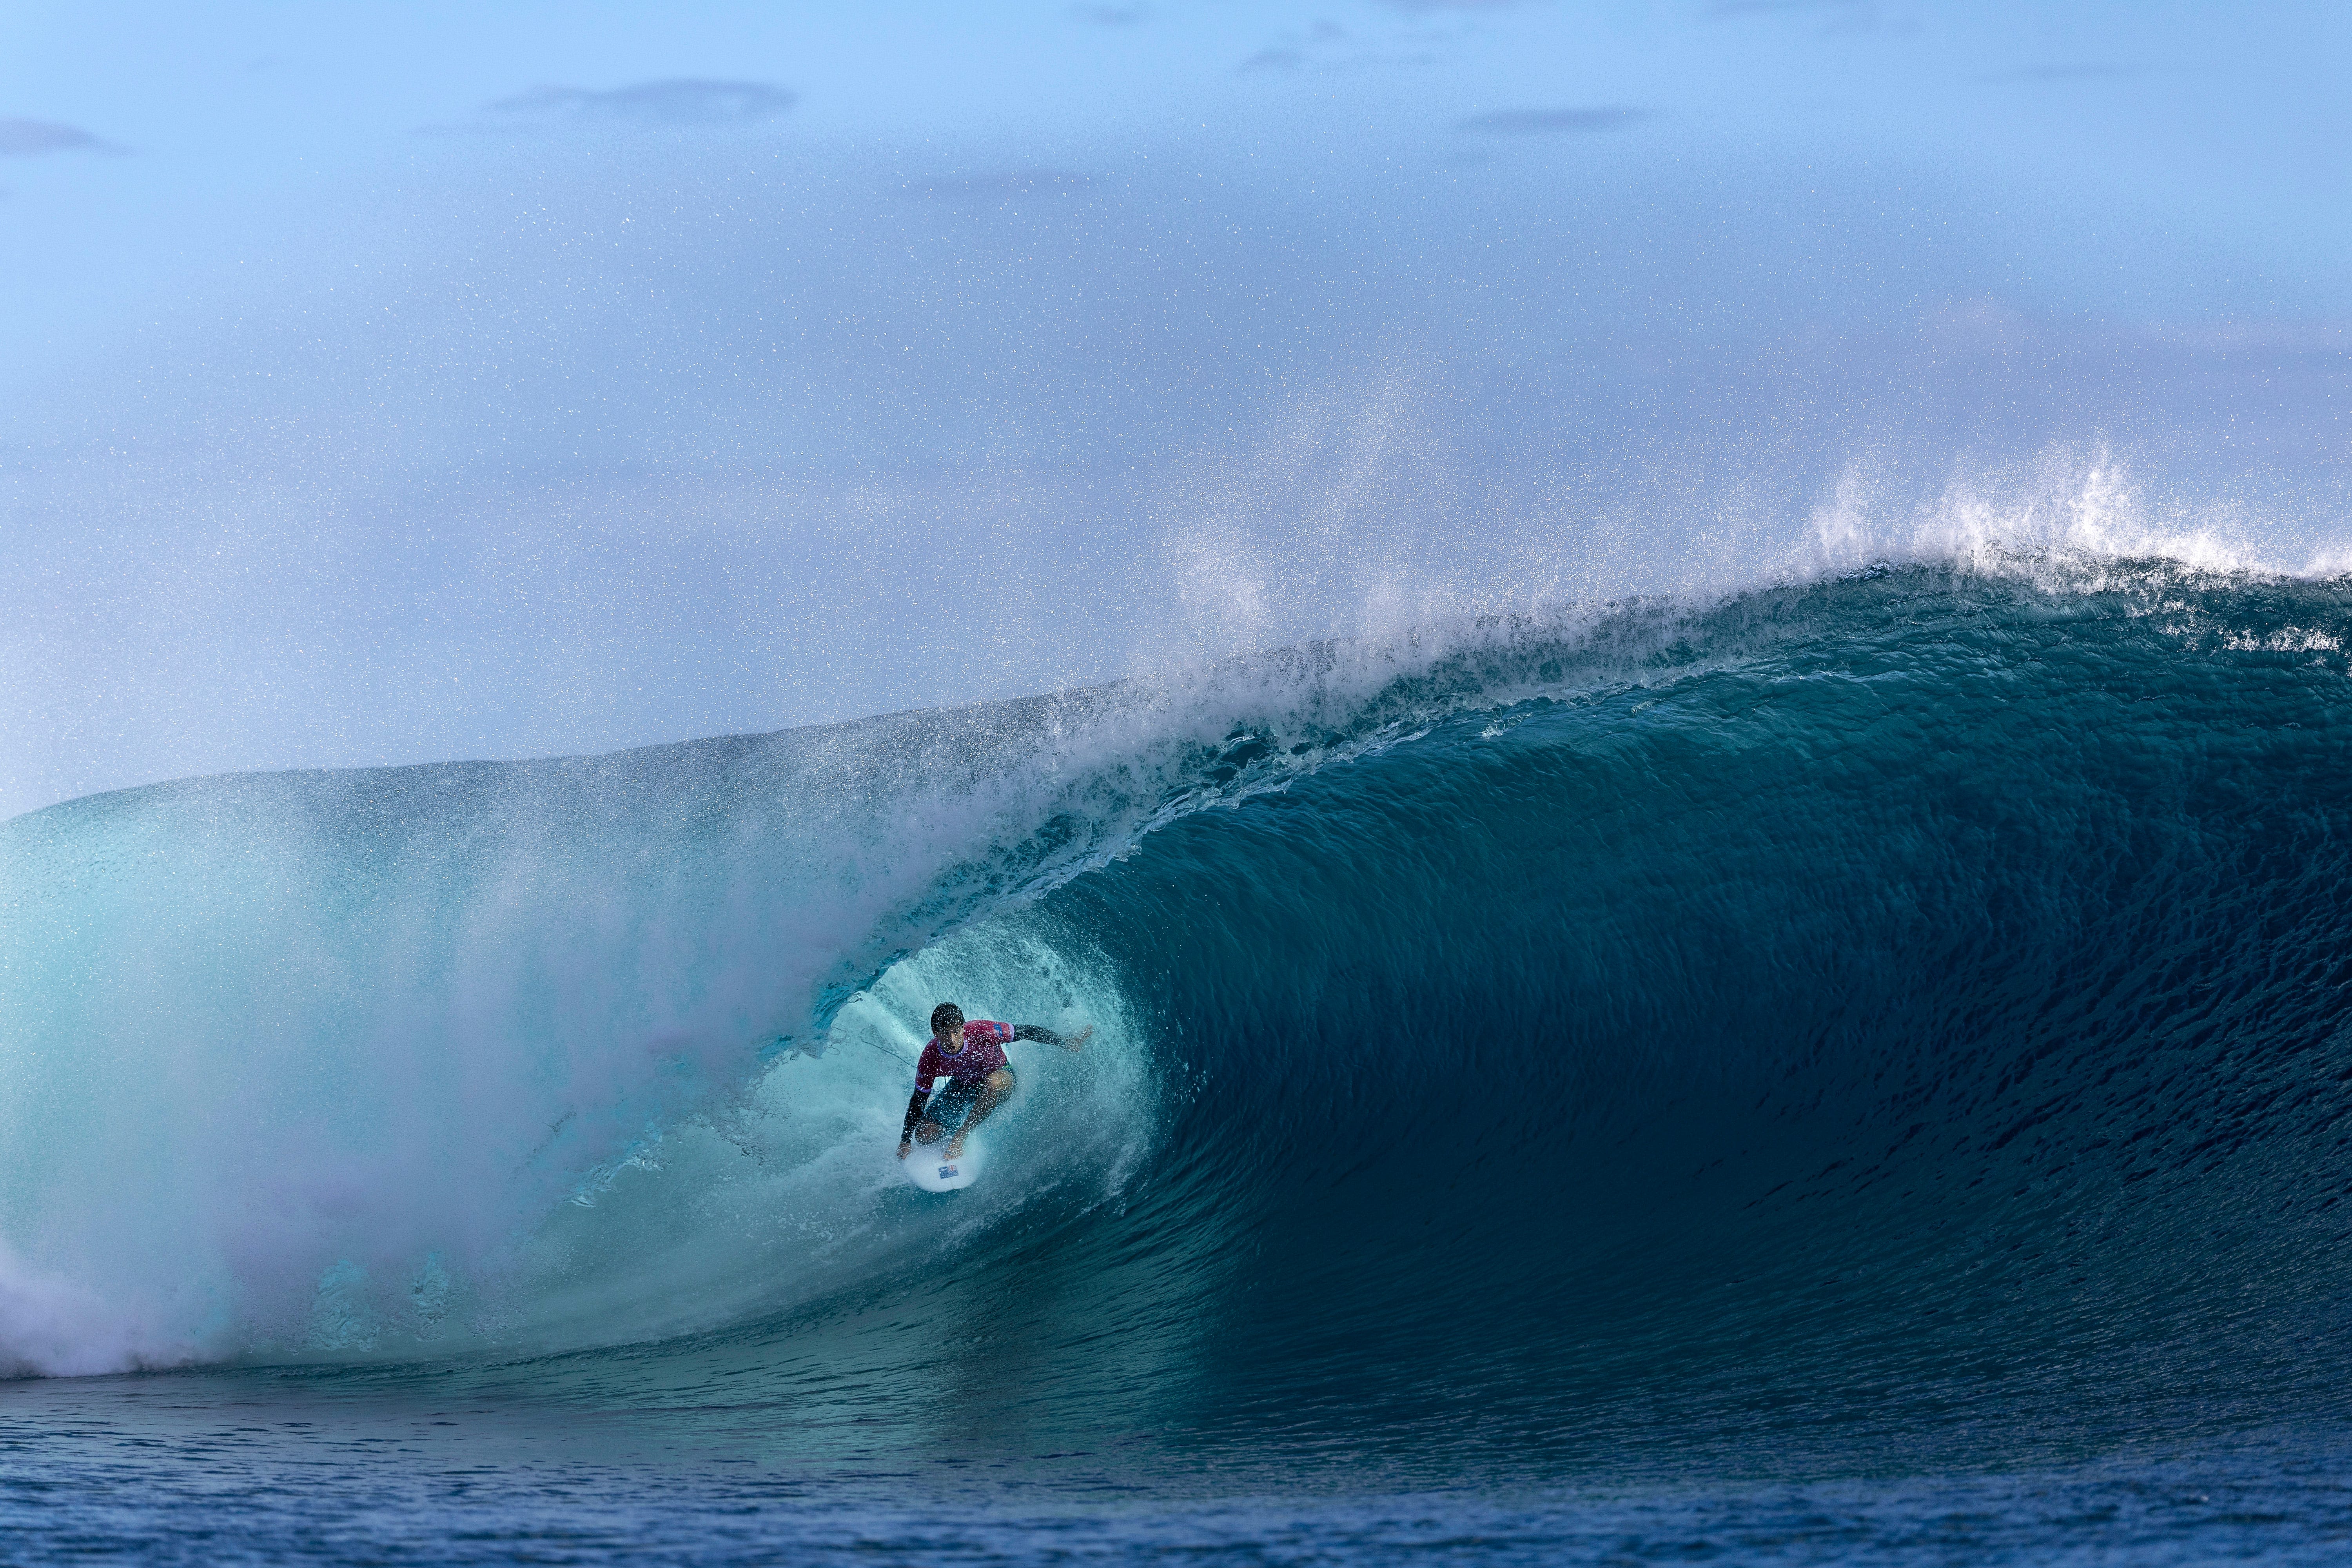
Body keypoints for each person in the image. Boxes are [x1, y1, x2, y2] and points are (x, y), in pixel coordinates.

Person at [897, 1002, 1091, 1161]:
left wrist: (1066, 1042)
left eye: (956, 1031)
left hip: (1000, 1076)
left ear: (963, 1028)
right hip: (963, 1085)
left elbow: (1027, 1032)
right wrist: (905, 1140)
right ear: (935, 1032)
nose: (952, 1039)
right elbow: (917, 1100)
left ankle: (961, 1135)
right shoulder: (930, 1057)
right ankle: (947, 1114)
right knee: (924, 1136)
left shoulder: (983, 1031)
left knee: (994, 1082)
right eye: (945, 1033)